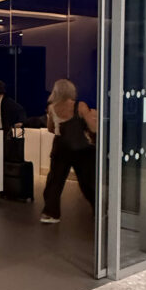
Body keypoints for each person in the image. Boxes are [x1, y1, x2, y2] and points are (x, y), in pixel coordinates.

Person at [40, 78, 97, 224]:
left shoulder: (52, 107)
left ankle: (51, 214)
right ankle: (99, 210)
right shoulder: (80, 106)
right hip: (82, 149)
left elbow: (50, 129)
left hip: (60, 147)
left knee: (55, 181)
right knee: (87, 181)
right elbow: (93, 127)